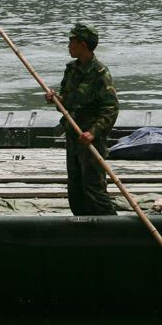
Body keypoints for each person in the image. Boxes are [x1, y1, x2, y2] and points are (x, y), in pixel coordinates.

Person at [45, 23, 120, 216]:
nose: (68, 46)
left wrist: (93, 132)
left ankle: (109, 225)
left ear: (83, 45)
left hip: (90, 138)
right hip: (73, 135)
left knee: (93, 187)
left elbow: (111, 108)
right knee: (75, 186)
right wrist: (56, 99)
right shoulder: (71, 69)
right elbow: (68, 101)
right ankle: (81, 225)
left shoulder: (99, 73)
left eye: (72, 42)